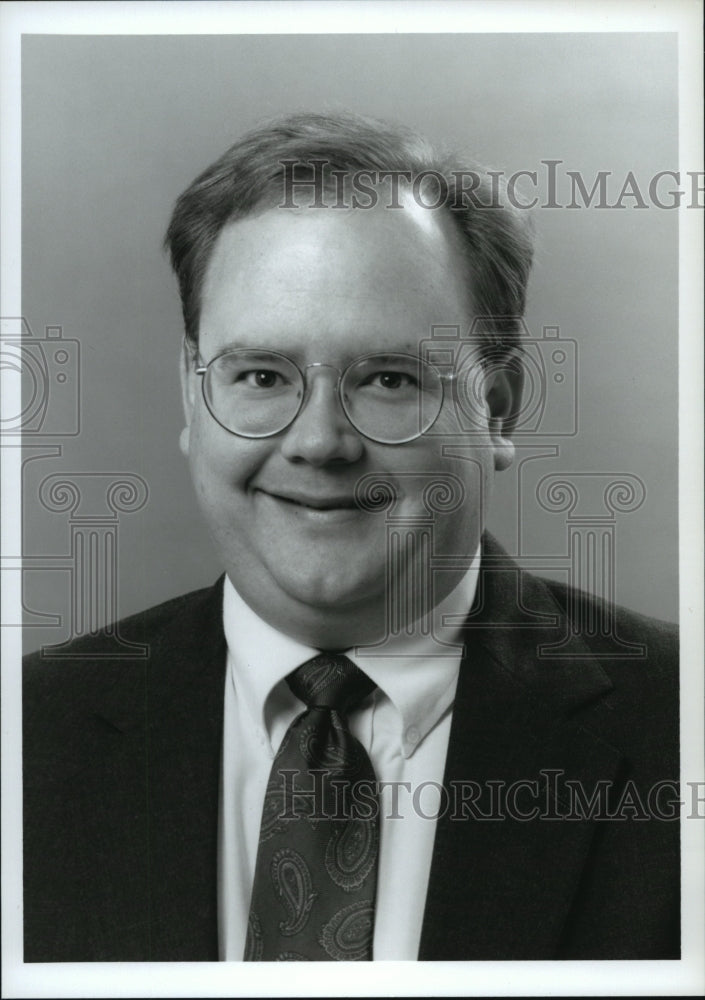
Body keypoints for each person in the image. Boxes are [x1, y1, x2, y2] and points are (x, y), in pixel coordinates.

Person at [23, 112, 679, 962]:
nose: (319, 442)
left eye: (388, 379)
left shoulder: (677, 730)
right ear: (192, 401)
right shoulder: (26, 738)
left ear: (501, 406)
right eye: (261, 375)